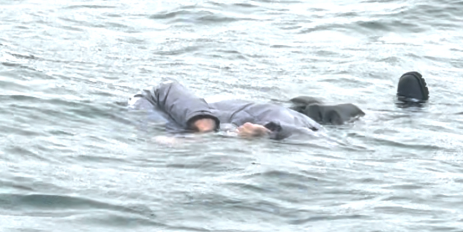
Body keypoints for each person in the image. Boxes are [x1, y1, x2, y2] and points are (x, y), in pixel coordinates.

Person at [129, 80, 364, 140]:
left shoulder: (181, 119)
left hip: (265, 116)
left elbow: (163, 88)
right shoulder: (167, 122)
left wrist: (202, 128)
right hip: (278, 121)